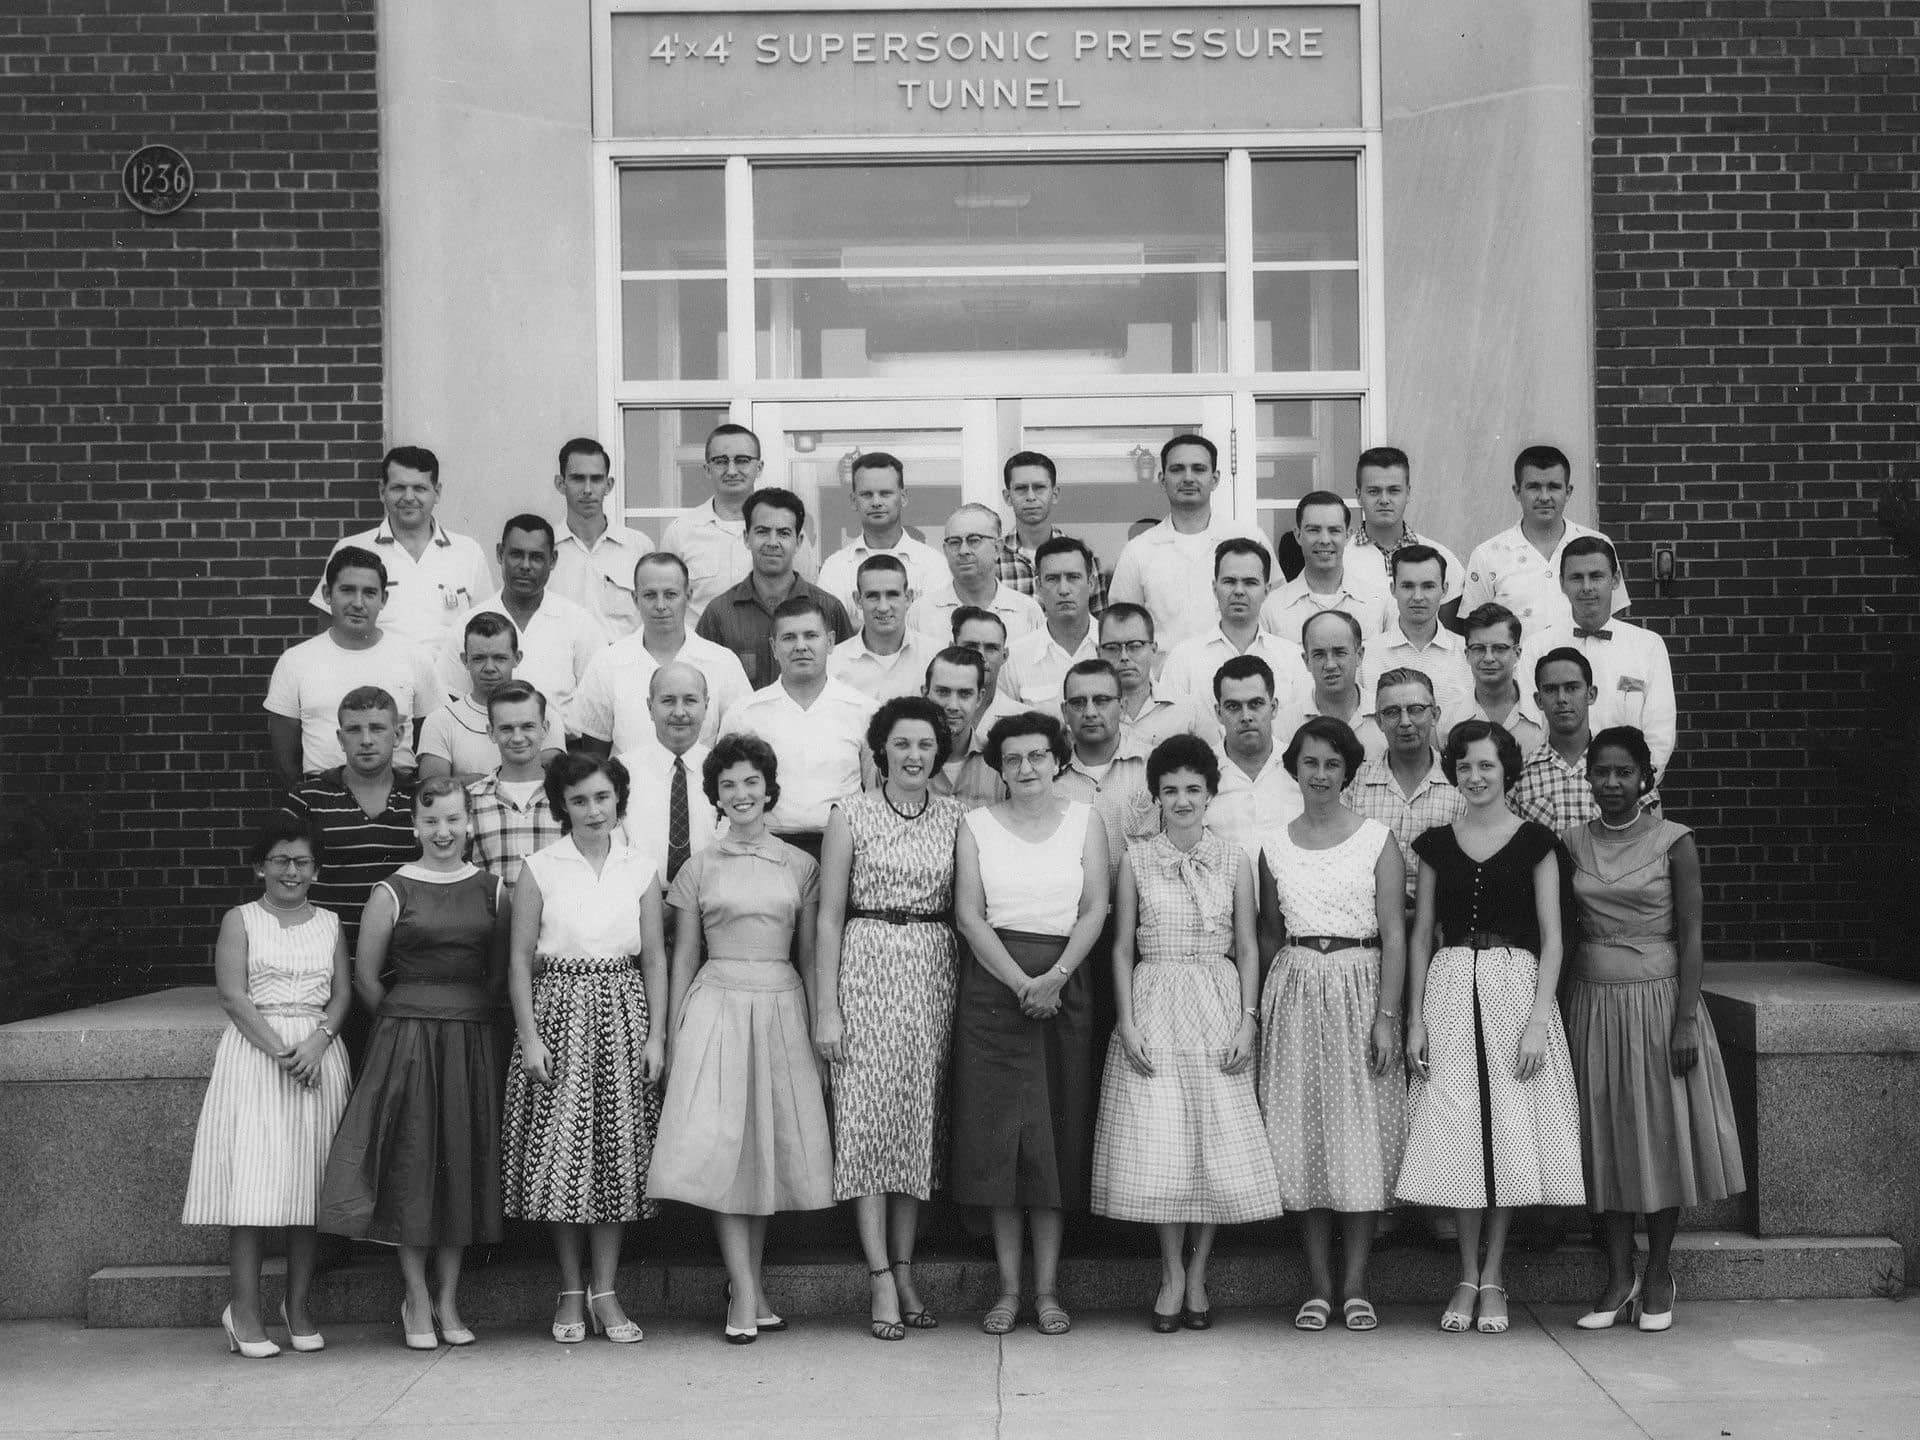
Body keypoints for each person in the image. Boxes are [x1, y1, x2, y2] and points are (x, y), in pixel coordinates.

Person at [1397, 720, 1585, 1336]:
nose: (1475, 777)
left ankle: (1495, 1273)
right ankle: (1464, 1273)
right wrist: (1417, 1018)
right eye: (1465, 767)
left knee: (1506, 1134)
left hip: (1514, 989)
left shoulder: (1537, 842)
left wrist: (1536, 1019)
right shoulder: (1434, 844)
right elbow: (1422, 936)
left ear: (1507, 771)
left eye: (1487, 766)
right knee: (1461, 1135)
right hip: (1452, 987)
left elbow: (1554, 937)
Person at [648, 734, 835, 1342]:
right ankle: (745, 1295)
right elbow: (682, 958)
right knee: (727, 1149)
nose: (741, 794)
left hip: (781, 1005)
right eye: (728, 784)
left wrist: (816, 1023)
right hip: (716, 1006)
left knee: (764, 1152)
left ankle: (748, 1289)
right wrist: (674, 1034)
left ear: (769, 788)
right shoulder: (699, 865)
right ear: (716, 797)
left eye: (751, 781)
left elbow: (809, 958)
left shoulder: (800, 866)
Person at [1092, 734, 1278, 1332]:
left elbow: (1248, 946)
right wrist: (1126, 1020)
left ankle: (1200, 1272)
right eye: (1169, 790)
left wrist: (1248, 1019)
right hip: (1156, 998)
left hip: (1217, 1000)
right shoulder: (1138, 857)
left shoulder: (1233, 858)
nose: (1181, 800)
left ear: (1210, 793)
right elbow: (1121, 947)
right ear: (1156, 796)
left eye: (1192, 789)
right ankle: (1170, 1271)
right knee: (1163, 1144)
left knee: (1214, 1144)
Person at [316, 778, 508, 1349]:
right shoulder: (391, 890)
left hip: (471, 1041)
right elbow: (367, 979)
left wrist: (463, 1016)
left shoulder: (494, 890)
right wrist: (408, 1019)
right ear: (415, 826)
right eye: (431, 822)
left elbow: (498, 975)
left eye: (453, 820)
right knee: (414, 1163)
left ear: (468, 821)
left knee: (461, 1164)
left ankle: (449, 1298)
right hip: (408, 1041)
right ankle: (416, 1296)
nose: (443, 832)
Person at [1563, 727, 1744, 1334]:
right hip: (1593, 1000)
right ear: (1586, 778)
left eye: (1622, 772)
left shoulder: (1675, 841)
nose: (1610, 784)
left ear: (1645, 778)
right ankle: (1619, 1275)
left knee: (1659, 1133)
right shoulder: (1570, 843)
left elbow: (1691, 933)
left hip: (1660, 1001)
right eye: (1600, 773)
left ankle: (1660, 1271)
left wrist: (1687, 1016)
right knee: (1608, 1139)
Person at [951, 711, 1111, 1337]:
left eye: (1038, 756)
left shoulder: (1085, 821)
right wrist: (1021, 982)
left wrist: (1057, 976)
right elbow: (969, 914)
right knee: (999, 1144)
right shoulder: (976, 825)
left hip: (1066, 984)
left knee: (1053, 1140)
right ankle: (1008, 1290)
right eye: (1014, 758)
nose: (1026, 768)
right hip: (995, 991)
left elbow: (1095, 905)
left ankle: (1048, 1292)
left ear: (1057, 759)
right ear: (999, 765)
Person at [813, 697, 966, 1341]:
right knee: (865, 1122)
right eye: (901, 744)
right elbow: (826, 915)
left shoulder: (958, 817)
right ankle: (877, 1273)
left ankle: (904, 1269)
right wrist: (826, 1007)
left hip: (932, 968)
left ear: (939, 752)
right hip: (867, 960)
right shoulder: (851, 814)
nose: (913, 756)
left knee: (915, 1124)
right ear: (882, 749)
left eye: (925, 745)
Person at [502, 753, 668, 1346]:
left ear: (618, 799)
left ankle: (606, 1289)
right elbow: (520, 960)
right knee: (563, 1158)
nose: (593, 810)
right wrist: (529, 1037)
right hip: (559, 1014)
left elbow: (653, 958)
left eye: (602, 798)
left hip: (623, 1013)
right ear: (562, 806)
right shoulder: (541, 867)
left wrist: (656, 1035)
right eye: (579, 800)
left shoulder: (640, 867)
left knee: (616, 1161)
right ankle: (571, 1287)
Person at [1256, 717, 1408, 1333]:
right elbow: (1268, 933)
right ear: (1294, 768)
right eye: (1310, 763)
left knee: (1357, 1137)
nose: (1320, 775)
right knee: (1303, 1134)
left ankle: (1356, 1284)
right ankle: (1318, 1286)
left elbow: (1395, 931)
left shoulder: (1377, 838)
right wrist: (1265, 1011)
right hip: (1294, 987)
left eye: (1331, 765)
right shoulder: (1272, 844)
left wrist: (1387, 1016)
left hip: (1360, 983)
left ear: (1348, 772)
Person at [181, 816, 351, 1358]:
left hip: (318, 1058)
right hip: (258, 1057)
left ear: (316, 870)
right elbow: (232, 996)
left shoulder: (330, 922)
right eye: (280, 860)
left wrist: (319, 1043)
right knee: (253, 1187)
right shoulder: (242, 919)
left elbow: (343, 996)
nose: (291, 871)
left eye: (302, 862)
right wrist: (283, 1052)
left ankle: (297, 1308)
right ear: (260, 865)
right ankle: (244, 1311)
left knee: (309, 1188)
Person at [718, 596, 877, 858]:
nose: (800, 646)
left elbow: (874, 791)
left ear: (830, 642)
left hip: (843, 847)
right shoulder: (745, 714)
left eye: (811, 635)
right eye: (789, 637)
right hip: (765, 848)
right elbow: (725, 790)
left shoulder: (864, 710)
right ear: (773, 647)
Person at [268, 547, 437, 787]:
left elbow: (432, 739)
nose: (358, 603)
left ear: (384, 599)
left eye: (369, 593)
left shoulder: (414, 657)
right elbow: (285, 757)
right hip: (322, 800)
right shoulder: (295, 661)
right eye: (347, 590)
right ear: (327, 594)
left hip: (399, 799)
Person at [310, 445, 493, 662]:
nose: (408, 497)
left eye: (419, 488)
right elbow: (327, 630)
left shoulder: (468, 551)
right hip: (376, 687)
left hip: (450, 689)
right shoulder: (351, 549)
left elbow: (487, 626)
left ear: (437, 492)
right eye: (398, 488)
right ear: (382, 491)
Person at [280, 687, 420, 957]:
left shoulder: (421, 798)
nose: (366, 740)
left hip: (407, 961)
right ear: (340, 738)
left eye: (377, 728)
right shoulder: (308, 797)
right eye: (354, 730)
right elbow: (285, 879)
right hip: (325, 957)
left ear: (398, 735)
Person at [572, 552, 754, 755]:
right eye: (650, 595)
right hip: (630, 784)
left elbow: (741, 744)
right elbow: (595, 754)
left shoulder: (723, 662)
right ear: (635, 598)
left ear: (689, 596)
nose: (660, 606)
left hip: (701, 785)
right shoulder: (606, 663)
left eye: (670, 594)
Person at [436, 515, 609, 724]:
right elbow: (450, 695)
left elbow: (599, 700)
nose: (525, 566)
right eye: (516, 555)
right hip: (484, 743)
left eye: (536, 557)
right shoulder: (468, 623)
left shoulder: (579, 623)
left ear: (553, 560)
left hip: (561, 749)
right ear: (500, 553)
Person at [1109, 434, 1271, 650]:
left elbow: (1273, 617)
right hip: (1165, 680)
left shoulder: (1251, 539)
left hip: (1242, 677)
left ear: (1215, 479)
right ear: (1162, 480)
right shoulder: (1139, 551)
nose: (1188, 478)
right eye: (1177, 469)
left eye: (1198, 469)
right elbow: (1122, 630)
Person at [1533, 537, 1677, 780]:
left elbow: (1660, 732)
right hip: (1554, 790)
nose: (1587, 587)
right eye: (1576, 577)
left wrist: (1636, 785)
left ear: (1615, 580)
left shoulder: (1648, 645)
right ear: (1562, 583)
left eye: (1596, 576)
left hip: (1630, 793)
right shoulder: (1537, 645)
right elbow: (1534, 728)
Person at [695, 486, 854, 689]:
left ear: (799, 541)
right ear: (746, 538)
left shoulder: (829, 609)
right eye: (762, 532)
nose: (772, 542)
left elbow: (847, 682)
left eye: (783, 533)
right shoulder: (719, 613)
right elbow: (701, 687)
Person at [660, 423, 819, 625]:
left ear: (759, 467)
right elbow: (665, 601)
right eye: (721, 461)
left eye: (742, 460)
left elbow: (808, 597)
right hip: (703, 653)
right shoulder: (680, 532)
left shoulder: (785, 533)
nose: (732, 470)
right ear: (707, 469)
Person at [1463, 444, 1630, 635]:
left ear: (1568, 491)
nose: (1544, 497)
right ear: (1517, 492)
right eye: (1534, 487)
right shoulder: (1487, 555)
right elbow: (1472, 631)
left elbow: (1616, 623)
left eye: (1553, 487)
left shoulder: (1598, 545)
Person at [1159, 538, 1308, 743]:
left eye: (1250, 582)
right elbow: (1171, 733)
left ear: (1266, 590)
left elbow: (1303, 732)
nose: (1239, 591)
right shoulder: (1183, 659)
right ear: (1214, 587)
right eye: (1229, 581)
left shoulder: (1291, 658)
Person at [1342, 668, 1463, 913]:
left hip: (1440, 922)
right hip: (1371, 920)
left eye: (1416, 709)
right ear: (1378, 721)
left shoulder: (1460, 782)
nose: (1405, 722)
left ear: (1435, 714)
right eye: (1392, 712)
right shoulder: (1357, 782)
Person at [418, 613, 564, 783]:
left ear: (517, 658)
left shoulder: (544, 716)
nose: (489, 668)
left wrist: (470, 782)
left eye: (499, 658)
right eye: (479, 658)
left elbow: (550, 782)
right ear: (465, 660)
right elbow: (433, 790)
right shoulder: (441, 720)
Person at [617, 662, 721, 884]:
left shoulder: (725, 770)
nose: (679, 712)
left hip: (710, 901)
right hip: (641, 901)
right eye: (668, 701)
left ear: (706, 706)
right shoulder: (621, 772)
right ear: (650, 707)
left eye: (690, 700)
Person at [813, 452, 945, 621]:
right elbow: (831, 631)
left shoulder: (933, 564)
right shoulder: (834, 567)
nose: (876, 502)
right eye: (867, 494)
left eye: (885, 493)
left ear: (903, 497)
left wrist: (855, 625)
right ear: (853, 500)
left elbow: (932, 632)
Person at [1344, 446, 1465, 627]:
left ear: (1408, 493)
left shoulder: (1442, 557)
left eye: (1393, 490)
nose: (1384, 499)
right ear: (1358, 495)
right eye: (1374, 491)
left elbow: (1452, 637)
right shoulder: (1341, 559)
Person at [549, 437, 654, 639]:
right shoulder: (543, 551)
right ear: (560, 484)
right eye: (578, 478)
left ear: (609, 484)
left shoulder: (639, 548)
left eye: (596, 479)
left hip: (623, 667)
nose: (587, 490)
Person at [1358, 545, 1474, 728]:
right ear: (1393, 589)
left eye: (1428, 586)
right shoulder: (1367, 655)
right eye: (1407, 586)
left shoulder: (1468, 654)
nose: (1418, 597)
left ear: (1444, 590)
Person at [464, 680, 564, 887]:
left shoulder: (569, 796)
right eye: (507, 729)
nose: (518, 738)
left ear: (545, 728)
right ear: (491, 732)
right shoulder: (468, 800)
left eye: (528, 726)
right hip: (493, 918)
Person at [1259, 491, 1392, 644]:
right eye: (1314, 530)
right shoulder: (1271, 608)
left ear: (1348, 535)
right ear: (1298, 535)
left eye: (1334, 530)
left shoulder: (1379, 604)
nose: (1324, 540)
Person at [1207, 654, 1301, 861]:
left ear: (1274, 707)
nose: (1246, 716)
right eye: (1233, 706)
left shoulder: (1302, 767)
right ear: (1218, 713)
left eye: (1256, 703)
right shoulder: (1198, 773)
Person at [908, 504, 1044, 642]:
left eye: (974, 541)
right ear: (945, 550)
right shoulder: (921, 614)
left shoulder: (1028, 613)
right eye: (955, 542)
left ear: (997, 548)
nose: (963, 551)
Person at [999, 536, 1099, 712]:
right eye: (1052, 579)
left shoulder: (1115, 649)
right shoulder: (1015, 658)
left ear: (1091, 583)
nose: (1063, 590)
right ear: (1038, 585)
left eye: (1073, 577)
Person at [1000, 450, 1107, 613]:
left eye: (1039, 488)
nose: (1030, 497)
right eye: (1021, 488)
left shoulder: (1083, 557)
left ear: (1055, 494)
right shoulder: (992, 559)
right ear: (1007, 497)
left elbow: (1099, 629)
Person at [1509, 649, 1602, 833]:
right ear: (1539, 700)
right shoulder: (1520, 776)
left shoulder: (1620, 766)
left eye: (1572, 688)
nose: (1562, 699)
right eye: (1551, 690)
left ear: (1591, 694)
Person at [828, 554, 939, 703]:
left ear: (908, 598)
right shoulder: (832, 663)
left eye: (892, 595)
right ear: (857, 600)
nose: (883, 607)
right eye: (873, 596)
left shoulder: (935, 657)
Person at [1278, 611, 1386, 762]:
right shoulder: (1284, 726)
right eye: (1319, 655)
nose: (1330, 665)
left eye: (1340, 653)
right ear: (1306, 661)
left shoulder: (1387, 714)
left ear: (1359, 655)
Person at [1098, 603, 1198, 754]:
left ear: (1153, 649)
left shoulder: (1187, 711)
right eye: (1112, 648)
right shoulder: (1085, 715)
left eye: (1135, 646)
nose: (1124, 657)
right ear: (1098, 652)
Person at [923, 646, 1006, 810]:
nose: (953, 705)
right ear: (925, 693)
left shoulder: (1000, 764)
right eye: (943, 692)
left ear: (979, 698)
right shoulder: (897, 761)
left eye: (965, 694)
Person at [1460, 603, 1547, 753]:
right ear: (1467, 655)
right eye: (1479, 648)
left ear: (1518, 653)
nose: (1488, 658)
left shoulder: (1545, 718)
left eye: (1499, 648)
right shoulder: (1447, 721)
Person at [953, 606, 1024, 737]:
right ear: (951, 649)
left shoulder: (1024, 719)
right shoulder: (929, 718)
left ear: (1004, 656)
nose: (981, 656)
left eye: (991, 648)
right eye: (971, 646)